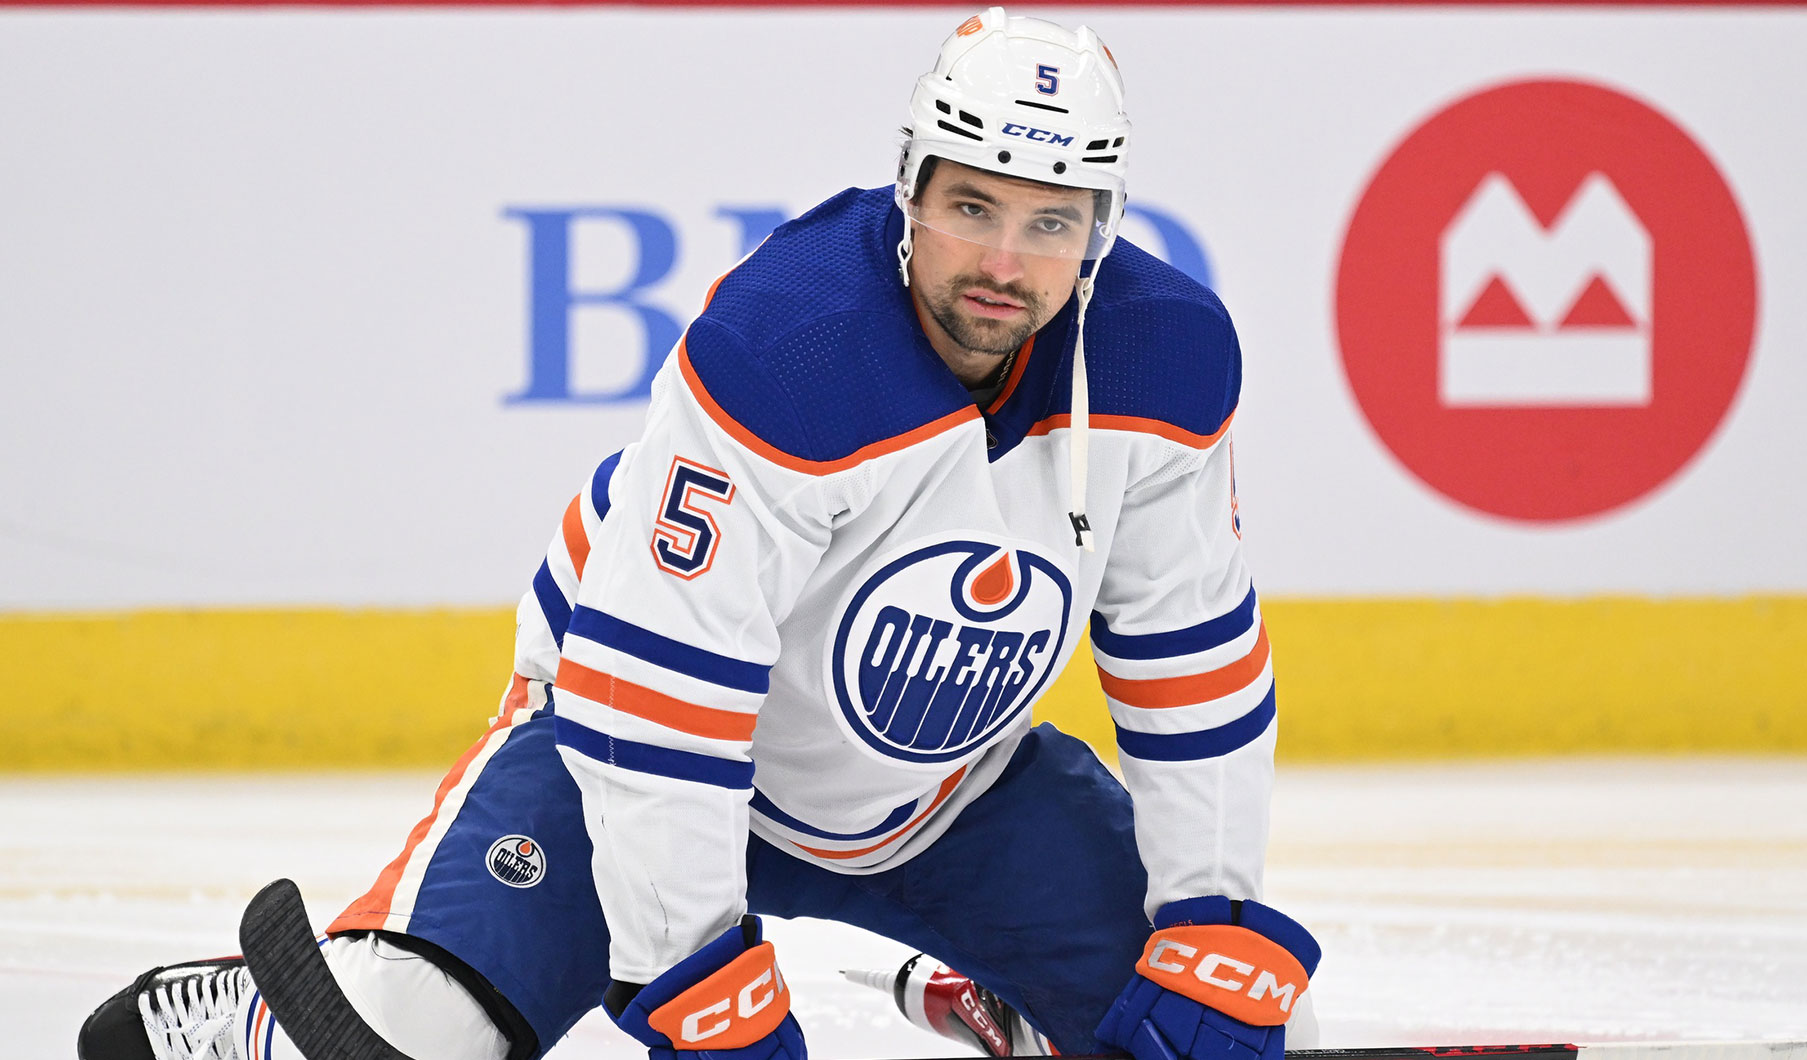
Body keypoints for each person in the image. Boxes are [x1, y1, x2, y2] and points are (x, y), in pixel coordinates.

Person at [77, 8, 1320, 1060]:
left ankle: (1012, 1001)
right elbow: (653, 693)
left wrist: (1213, 906)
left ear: (1098, 228)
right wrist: (695, 969)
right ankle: (260, 1012)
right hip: (616, 753)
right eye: (972, 206)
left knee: (1259, 1023)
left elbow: (1189, 654)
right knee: (403, 1037)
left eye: (1050, 222)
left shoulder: (1168, 354)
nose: (1003, 260)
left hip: (953, 795)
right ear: (910, 186)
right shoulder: (788, 347)